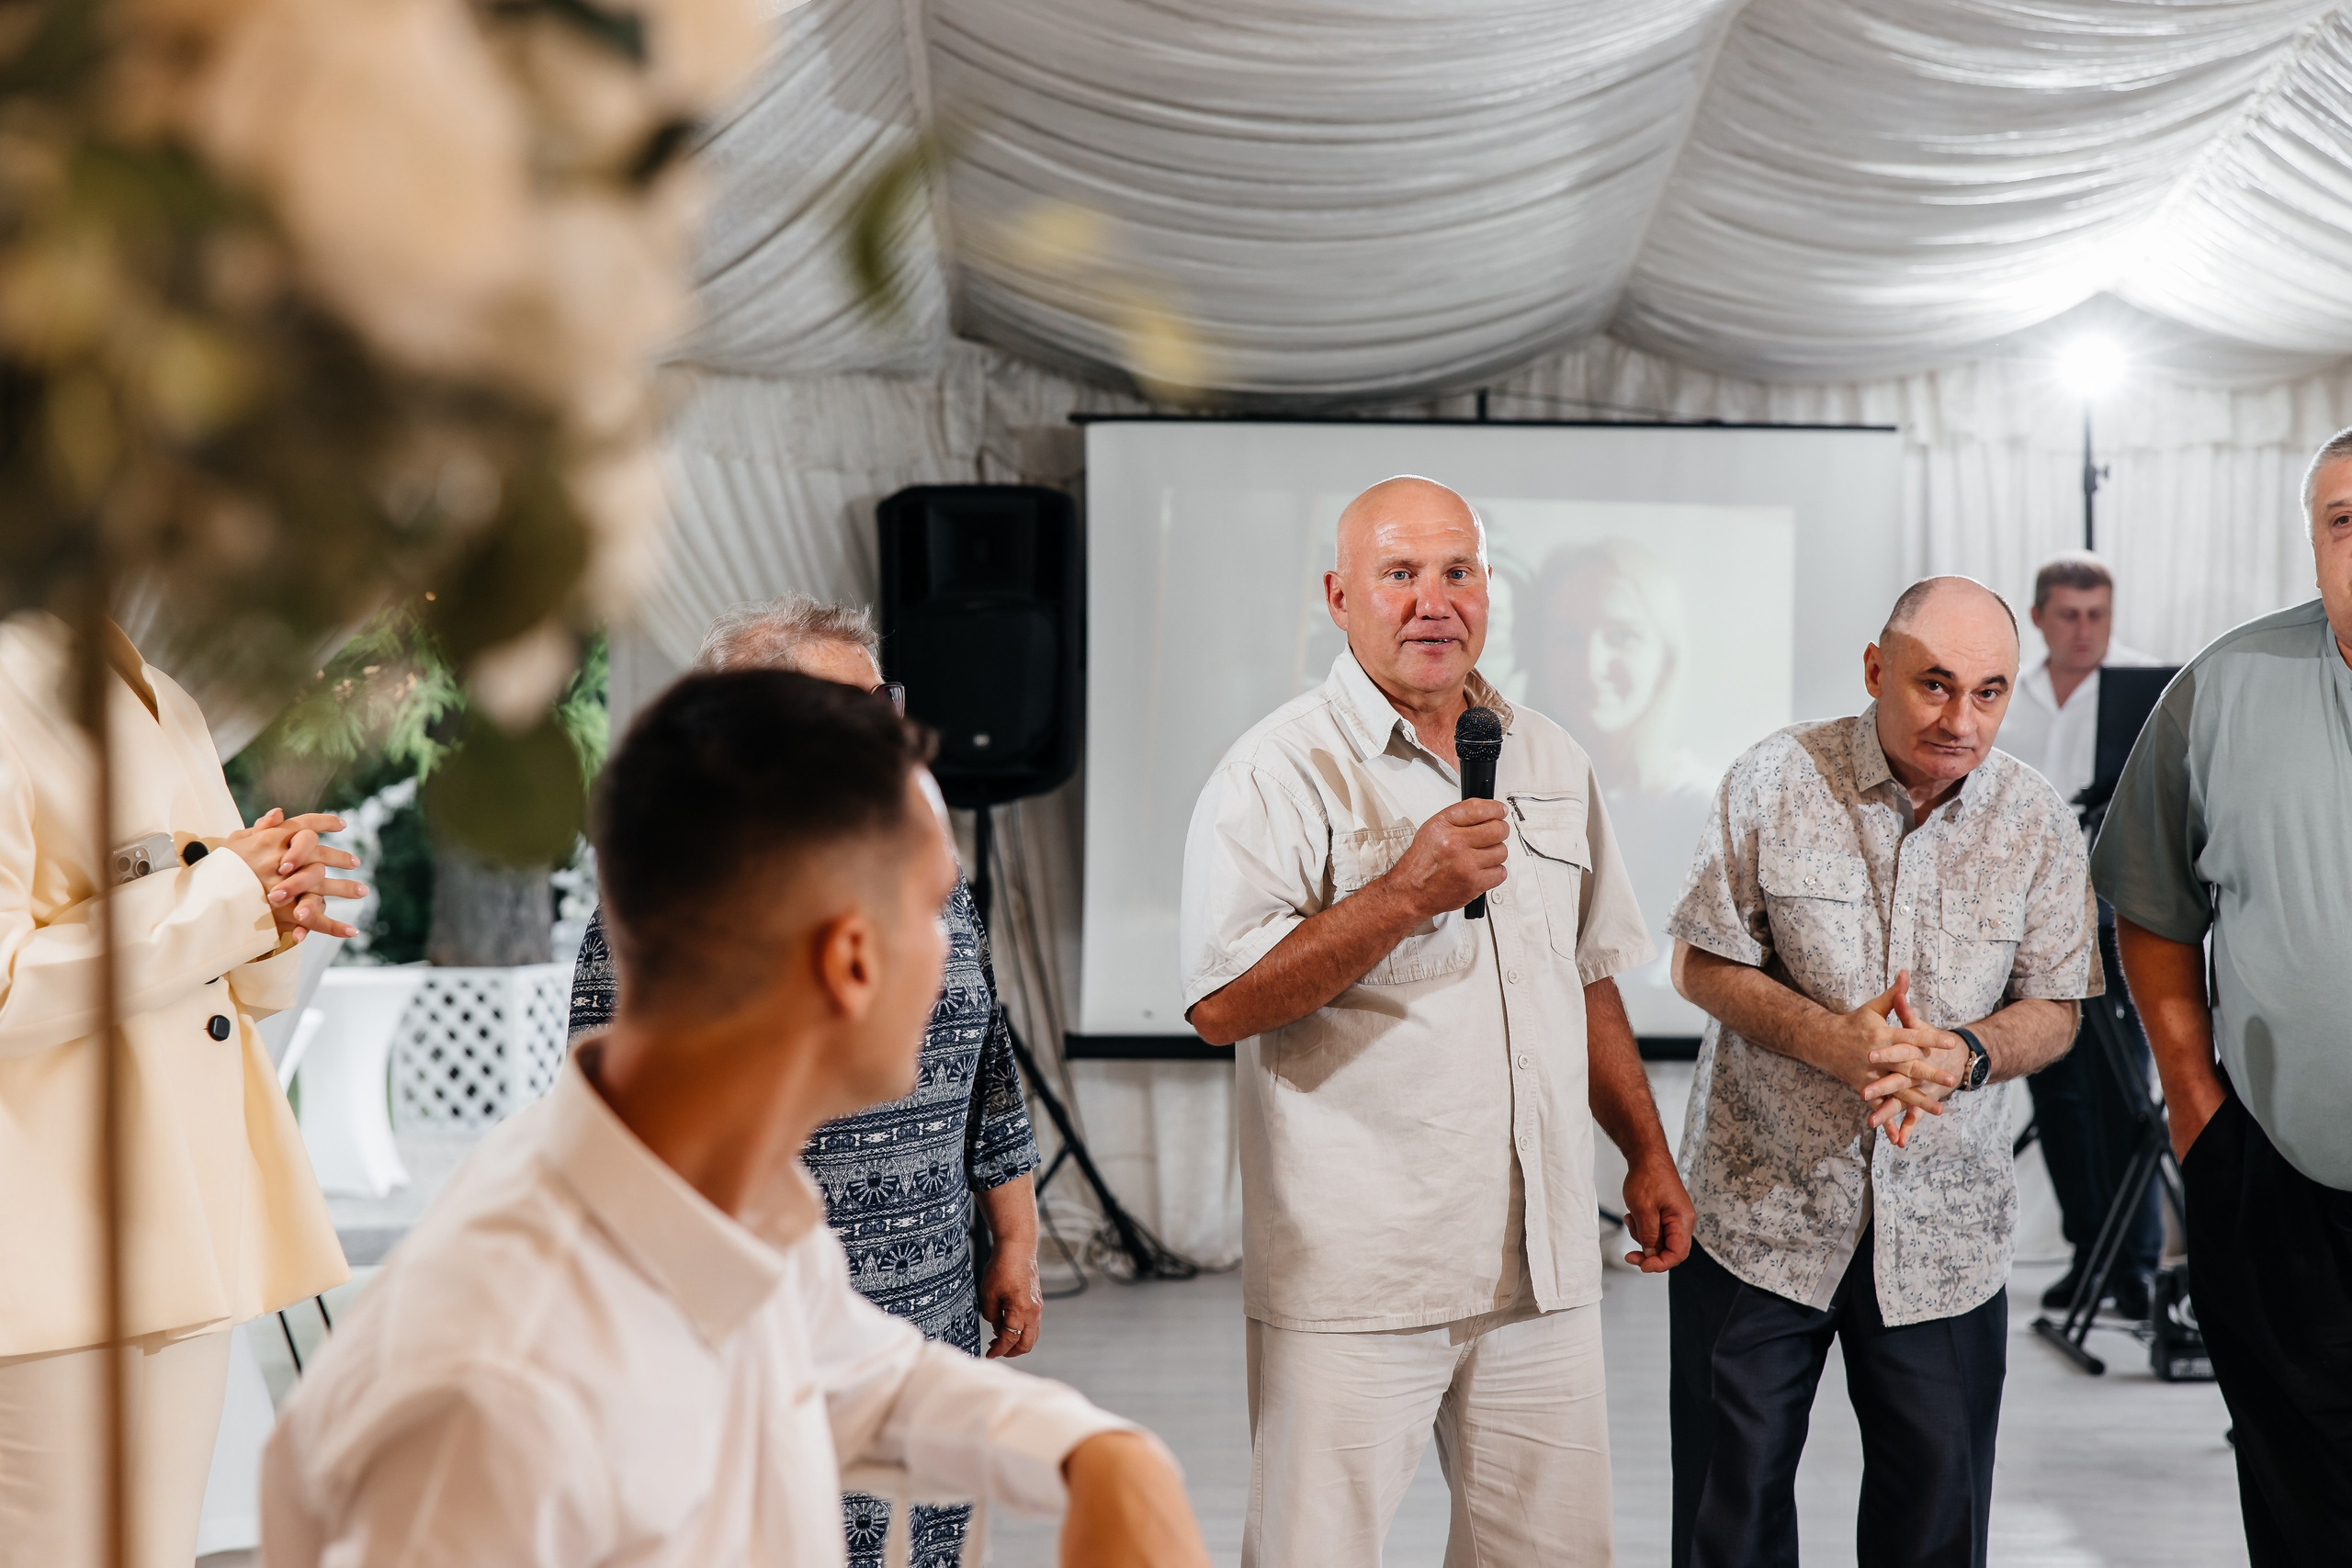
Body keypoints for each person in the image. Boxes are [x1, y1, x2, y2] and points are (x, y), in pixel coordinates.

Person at [262, 669, 1209, 1568]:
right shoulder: (498, 1391)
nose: (954, 955)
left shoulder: (727, 1187)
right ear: (850, 960)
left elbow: (866, 1380)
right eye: (934, 909)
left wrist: (1100, 1453)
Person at [1182, 475, 1694, 1568]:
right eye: (1399, 574)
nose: (1432, 601)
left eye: (1455, 572)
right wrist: (1399, 896)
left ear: (1486, 589)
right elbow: (1224, 1005)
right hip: (1361, 1266)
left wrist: (1643, 1153)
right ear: (1338, 595)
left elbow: (1587, 972)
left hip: (1542, 1261)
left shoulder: (1549, 755)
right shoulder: (1277, 770)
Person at [566, 595, 1041, 1568]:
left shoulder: (925, 868)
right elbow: (617, 1131)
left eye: (882, 705)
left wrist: (1017, 1239)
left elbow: (989, 1060)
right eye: (844, 714)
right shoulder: (664, 903)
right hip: (746, 1330)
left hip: (928, 1296)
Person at [1666, 576, 2099, 1568]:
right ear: (1874, 670)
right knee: (1725, 1523)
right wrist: (1832, 1042)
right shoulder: (1773, 778)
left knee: (1934, 1531)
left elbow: (2057, 1006)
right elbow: (1700, 959)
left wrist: (1966, 1053)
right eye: (1934, 685)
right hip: (1761, 1215)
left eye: (1988, 692)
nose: (1960, 720)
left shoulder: (2033, 818)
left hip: (1945, 1234)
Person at [0, 612, 356, 1568]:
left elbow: (242, 979)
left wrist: (275, 906)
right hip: (42, 1243)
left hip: (179, 1224)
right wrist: (221, 899)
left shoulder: (167, 695)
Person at [2091, 428, 2352, 1565]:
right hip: (2274, 1179)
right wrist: (2197, 1110)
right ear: (2311, 544)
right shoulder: (2223, 685)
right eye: (2342, 518)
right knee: (2298, 1490)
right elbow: (2148, 906)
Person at [1996, 553, 2163, 1318]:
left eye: (2097, 614)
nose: (2085, 629)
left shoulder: (2147, 691)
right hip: (2022, 919)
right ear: (2039, 618)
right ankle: (2087, 1253)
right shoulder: (2006, 696)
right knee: (2056, 1090)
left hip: (2113, 913)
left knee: (2123, 1089)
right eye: (2068, 614)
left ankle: (2135, 1267)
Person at [1515, 538, 1717, 1017]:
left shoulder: (1705, 808)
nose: (1591, 665)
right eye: (1566, 637)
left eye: (1622, 636)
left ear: (1665, 657)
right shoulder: (1501, 788)